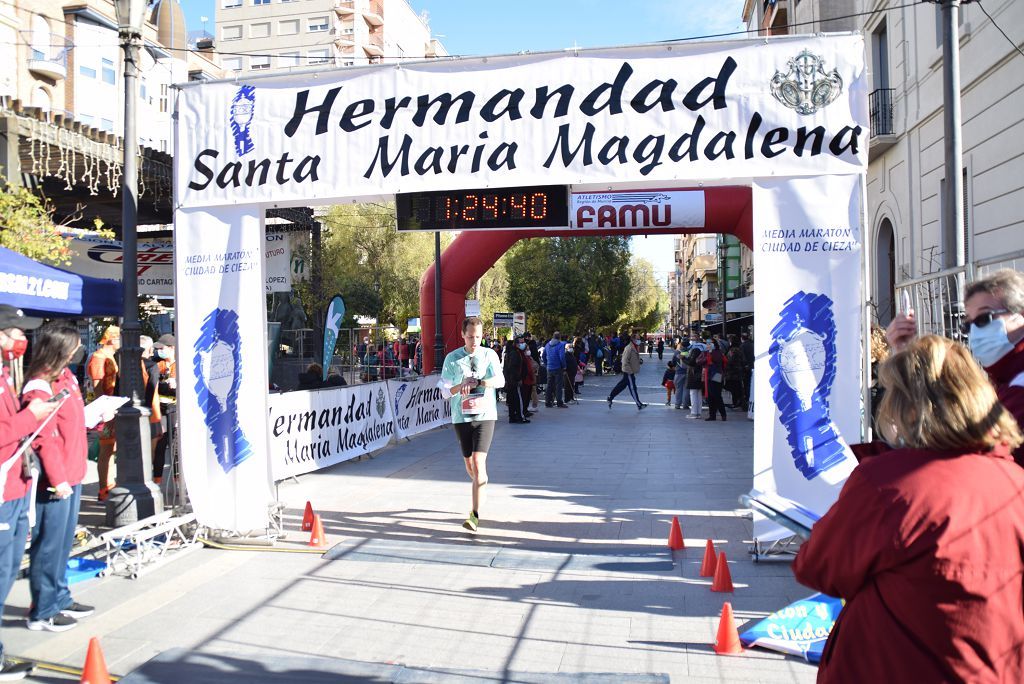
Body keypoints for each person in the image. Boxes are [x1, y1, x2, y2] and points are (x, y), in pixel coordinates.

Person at [792, 335, 1024, 682]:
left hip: (895, 664)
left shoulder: (889, 483)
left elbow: (820, 568)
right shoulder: (1014, 481)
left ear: (906, 407)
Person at [888, 269, 1024, 466]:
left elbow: (973, 447)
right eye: (967, 325)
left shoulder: (1017, 387)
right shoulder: (1002, 379)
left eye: (984, 319)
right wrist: (904, 353)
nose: (975, 332)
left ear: (1020, 316)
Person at [22, 323, 97, 634]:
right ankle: (43, 610)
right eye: (74, 346)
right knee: (49, 544)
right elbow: (42, 437)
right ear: (61, 348)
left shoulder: (65, 378)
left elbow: (69, 422)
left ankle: (60, 595)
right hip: (55, 478)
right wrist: (58, 477)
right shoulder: (39, 385)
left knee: (63, 542)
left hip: (73, 470)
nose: (77, 351)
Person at [0, 306, 57, 679]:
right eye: (14, 332)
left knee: (6, 571)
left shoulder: (5, 375)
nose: (21, 340)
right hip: (4, 489)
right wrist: (32, 416)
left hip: (14, 486)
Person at [441, 317, 504, 533]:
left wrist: (481, 382)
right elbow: (444, 392)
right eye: (470, 337)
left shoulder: (490, 355)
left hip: (485, 415)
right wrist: (462, 385)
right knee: (470, 465)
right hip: (461, 417)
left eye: (478, 337)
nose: (474, 341)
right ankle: (481, 483)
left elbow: (501, 381)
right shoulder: (452, 358)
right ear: (462, 335)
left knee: (478, 461)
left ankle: (474, 514)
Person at [86, 325, 119, 501]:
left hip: (113, 406)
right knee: (106, 449)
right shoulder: (98, 358)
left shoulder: (111, 357)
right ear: (112, 339)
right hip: (106, 410)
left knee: (112, 448)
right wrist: (106, 409)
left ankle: (110, 484)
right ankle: (103, 489)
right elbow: (97, 386)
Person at [152, 334, 176, 485]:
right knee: (160, 445)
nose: (159, 351)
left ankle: (178, 481)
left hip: (175, 409)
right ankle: (157, 480)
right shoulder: (158, 364)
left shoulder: (180, 364)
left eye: (162, 348)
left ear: (172, 348)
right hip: (160, 409)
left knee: (175, 446)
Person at [606, 333, 646, 410]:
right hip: (628, 371)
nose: (639, 340)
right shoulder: (629, 348)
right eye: (637, 339)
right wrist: (629, 371)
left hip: (629, 371)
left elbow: (631, 358)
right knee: (633, 388)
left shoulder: (634, 347)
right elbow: (624, 361)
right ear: (633, 339)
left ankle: (610, 397)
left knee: (621, 386)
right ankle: (639, 404)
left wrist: (638, 361)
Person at [502, 337, 528, 424]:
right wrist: (518, 378)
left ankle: (512, 416)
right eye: (521, 342)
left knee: (512, 399)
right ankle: (520, 417)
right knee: (517, 399)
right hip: (514, 380)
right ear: (516, 344)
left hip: (510, 380)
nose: (523, 344)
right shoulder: (515, 353)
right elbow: (513, 368)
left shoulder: (510, 353)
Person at [703, 339, 727, 421]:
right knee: (710, 396)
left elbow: (716, 361)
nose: (707, 345)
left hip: (717, 374)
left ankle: (723, 414)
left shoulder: (717, 352)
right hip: (711, 375)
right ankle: (712, 415)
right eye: (707, 343)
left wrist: (709, 354)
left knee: (716, 395)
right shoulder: (709, 352)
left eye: (709, 344)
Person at [543, 333, 567, 408]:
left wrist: (547, 364)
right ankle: (559, 402)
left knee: (549, 385)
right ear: (559, 338)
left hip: (549, 367)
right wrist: (564, 366)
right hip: (557, 367)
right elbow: (562, 357)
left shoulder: (547, 345)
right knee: (558, 386)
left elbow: (543, 356)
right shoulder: (560, 345)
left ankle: (548, 402)